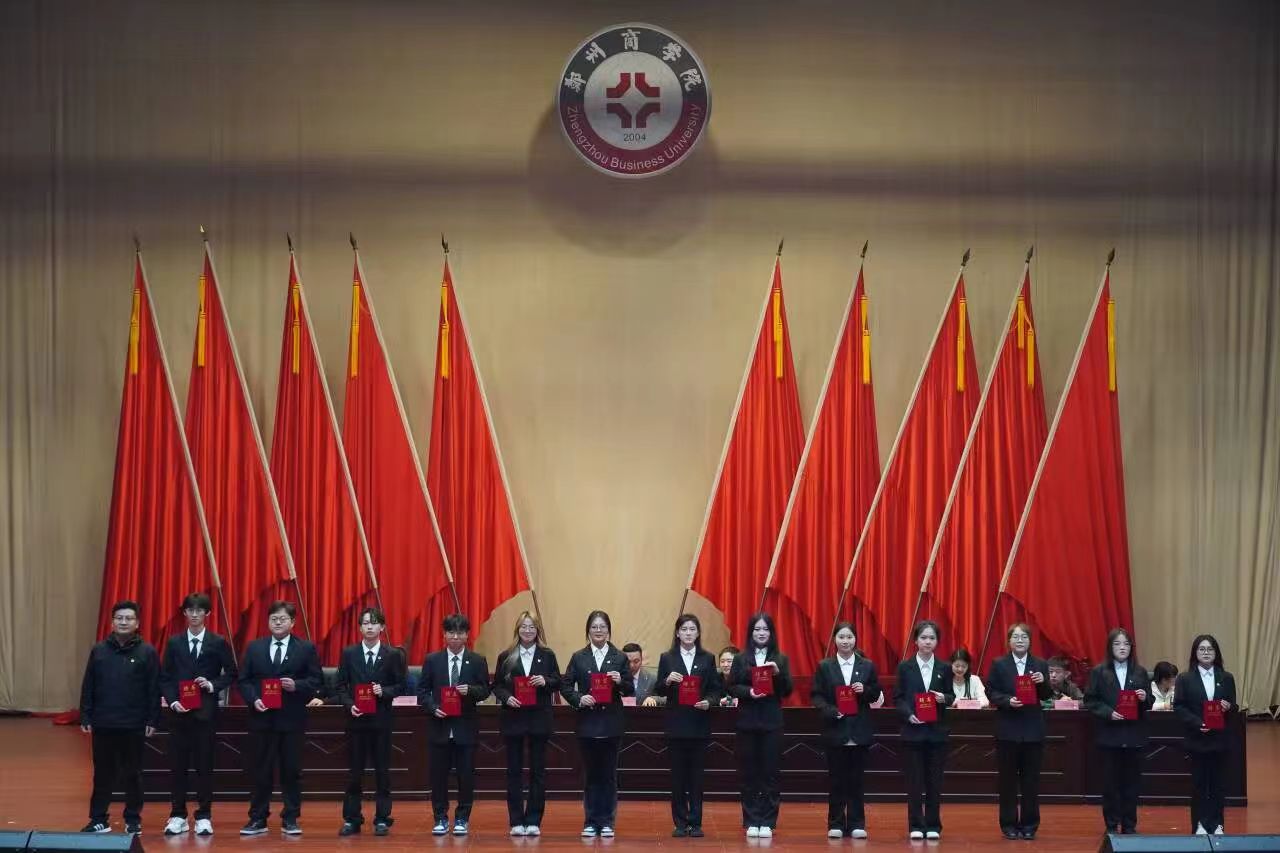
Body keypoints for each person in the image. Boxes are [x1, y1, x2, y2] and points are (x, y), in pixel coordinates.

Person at [237, 600, 322, 836]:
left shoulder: (305, 648)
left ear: (292, 622)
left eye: (282, 619)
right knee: (260, 770)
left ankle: (291, 818)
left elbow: (316, 681)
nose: (277, 623)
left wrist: (296, 685)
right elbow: (243, 680)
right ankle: (258, 818)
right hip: (262, 719)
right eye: (273, 619)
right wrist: (254, 699)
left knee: (291, 771)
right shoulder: (255, 648)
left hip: (291, 720)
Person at [79, 600, 161, 835]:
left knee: (132, 774)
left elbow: (153, 689)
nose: (124, 622)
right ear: (112, 622)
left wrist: (153, 719)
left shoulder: (147, 652)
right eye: (119, 618)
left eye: (129, 618)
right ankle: (98, 819)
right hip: (104, 722)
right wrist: (85, 715)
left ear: (137, 623)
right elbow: (89, 684)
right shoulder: (99, 650)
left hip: (134, 724)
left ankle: (133, 819)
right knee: (102, 774)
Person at [159, 593, 237, 836]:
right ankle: (177, 815)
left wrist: (212, 684)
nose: (194, 615)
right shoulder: (174, 642)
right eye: (190, 610)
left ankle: (204, 816)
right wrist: (172, 701)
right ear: (184, 613)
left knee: (204, 766)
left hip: (205, 714)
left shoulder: (218, 642)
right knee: (178, 767)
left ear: (207, 614)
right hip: (179, 714)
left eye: (199, 610)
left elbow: (232, 673)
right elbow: (165, 677)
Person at [561, 610, 634, 838]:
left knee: (609, 775)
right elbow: (565, 686)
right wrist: (578, 699)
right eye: (594, 627)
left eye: (602, 627)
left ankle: (608, 822)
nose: (598, 630)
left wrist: (620, 681)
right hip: (587, 723)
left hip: (611, 723)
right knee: (591, 775)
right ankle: (591, 821)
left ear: (609, 631)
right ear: (588, 631)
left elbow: (630, 689)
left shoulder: (619, 657)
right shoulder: (578, 657)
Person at [417, 613, 490, 837]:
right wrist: (433, 707)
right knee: (438, 777)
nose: (455, 637)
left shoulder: (477, 660)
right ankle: (440, 817)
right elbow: (422, 692)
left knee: (465, 776)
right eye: (451, 632)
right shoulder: (433, 660)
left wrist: (471, 691)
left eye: (460, 633)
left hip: (465, 729)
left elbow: (485, 690)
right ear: (444, 635)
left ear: (467, 635)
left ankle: (462, 818)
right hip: (439, 727)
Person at [335, 608, 405, 836]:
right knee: (354, 773)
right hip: (356, 722)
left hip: (381, 722)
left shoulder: (393, 654)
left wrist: (383, 691)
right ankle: (352, 819)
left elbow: (401, 686)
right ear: (360, 627)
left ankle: (382, 818)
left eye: (374, 623)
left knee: (382, 772)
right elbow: (340, 686)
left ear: (382, 627)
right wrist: (349, 704)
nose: (369, 627)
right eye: (365, 623)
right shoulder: (349, 653)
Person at [490, 611, 561, 837]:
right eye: (524, 627)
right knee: (514, 772)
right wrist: (506, 698)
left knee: (538, 772)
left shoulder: (547, 655)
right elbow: (497, 686)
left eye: (532, 627)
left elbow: (558, 681)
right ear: (517, 630)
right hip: (514, 718)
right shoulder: (506, 656)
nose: (527, 631)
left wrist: (545, 681)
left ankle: (533, 820)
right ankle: (516, 821)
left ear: (537, 630)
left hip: (539, 719)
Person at [811, 621, 881, 840]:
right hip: (836, 730)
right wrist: (831, 711)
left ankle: (857, 823)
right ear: (835, 640)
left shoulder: (867, 665)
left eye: (849, 637)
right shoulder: (825, 666)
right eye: (841, 637)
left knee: (857, 781)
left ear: (855, 639)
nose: (845, 641)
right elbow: (817, 696)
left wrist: (865, 690)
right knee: (836, 781)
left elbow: (875, 694)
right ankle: (836, 823)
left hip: (859, 730)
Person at [727, 611, 793, 839]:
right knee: (749, 773)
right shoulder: (740, 658)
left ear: (771, 633)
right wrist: (749, 692)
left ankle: (768, 821)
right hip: (747, 722)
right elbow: (731, 687)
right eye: (757, 629)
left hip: (772, 723)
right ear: (751, 632)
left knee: (770, 773)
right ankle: (751, 820)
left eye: (765, 629)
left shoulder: (781, 659)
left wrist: (777, 674)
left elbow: (787, 690)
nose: (761, 633)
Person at [655, 614, 721, 838]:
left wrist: (709, 702)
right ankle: (680, 822)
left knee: (696, 778)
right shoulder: (667, 658)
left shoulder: (707, 658)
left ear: (698, 633)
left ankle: (696, 822)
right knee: (678, 777)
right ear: (677, 633)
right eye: (684, 629)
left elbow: (715, 689)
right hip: (676, 725)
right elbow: (658, 689)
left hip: (699, 724)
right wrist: (667, 681)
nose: (688, 633)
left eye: (692, 629)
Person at [1084, 627, 1154, 835]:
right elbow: (1090, 700)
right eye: (1117, 644)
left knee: (1132, 784)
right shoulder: (1099, 672)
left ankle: (1129, 824)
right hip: (1109, 735)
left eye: (1126, 644)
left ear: (1131, 647)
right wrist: (1108, 713)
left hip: (1133, 735)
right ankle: (1112, 824)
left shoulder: (1140, 672)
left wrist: (1144, 698)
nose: (1122, 648)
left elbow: (1149, 702)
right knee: (1110, 784)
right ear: (1110, 647)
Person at [985, 623, 1052, 840]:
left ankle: (1030, 824)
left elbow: (1047, 695)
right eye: (1016, 637)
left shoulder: (1040, 664)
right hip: (1007, 729)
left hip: (1033, 730)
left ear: (1030, 641)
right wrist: (1007, 701)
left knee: (1031, 781)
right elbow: (991, 691)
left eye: (1024, 637)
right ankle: (1008, 824)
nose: (1020, 640)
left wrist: (1043, 682)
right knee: (1007, 781)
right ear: (1009, 641)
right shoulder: (999, 664)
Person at [894, 620, 955, 841]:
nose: (927, 642)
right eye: (923, 637)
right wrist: (908, 714)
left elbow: (951, 695)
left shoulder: (945, 668)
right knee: (914, 783)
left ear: (937, 641)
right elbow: (898, 697)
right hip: (913, 733)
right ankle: (916, 825)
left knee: (934, 783)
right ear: (916, 641)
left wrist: (943, 698)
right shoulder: (905, 667)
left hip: (937, 733)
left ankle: (933, 825)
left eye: (932, 638)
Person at [1173, 634, 1237, 836]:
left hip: (1219, 741)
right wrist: (1196, 723)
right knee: (1199, 785)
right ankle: (1199, 825)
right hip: (1197, 740)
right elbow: (1179, 707)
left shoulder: (1226, 678)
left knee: (1218, 785)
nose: (1206, 652)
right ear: (1195, 653)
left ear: (1216, 653)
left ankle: (1218, 824)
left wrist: (1228, 707)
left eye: (1210, 649)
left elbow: (1234, 707)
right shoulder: (1185, 678)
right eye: (1202, 649)